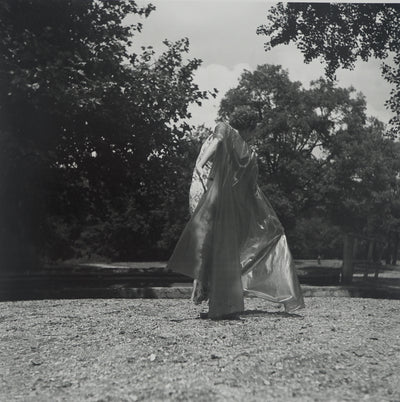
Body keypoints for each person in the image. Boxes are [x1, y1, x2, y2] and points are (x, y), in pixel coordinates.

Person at [167, 107, 304, 319]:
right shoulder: (233, 136)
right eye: (253, 130)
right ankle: (211, 292)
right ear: (249, 127)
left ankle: (208, 291)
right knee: (214, 242)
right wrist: (201, 164)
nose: (253, 135)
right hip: (212, 192)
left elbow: (220, 147)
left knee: (209, 242)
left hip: (207, 190)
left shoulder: (231, 136)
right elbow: (221, 146)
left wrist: (199, 165)